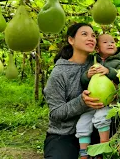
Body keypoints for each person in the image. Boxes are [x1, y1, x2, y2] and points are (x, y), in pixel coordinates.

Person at [43, 23, 104, 159]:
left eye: (93, 36)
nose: (91, 38)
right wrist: (81, 102)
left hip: (95, 128)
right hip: (64, 133)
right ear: (71, 40)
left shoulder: (99, 64)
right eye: (84, 34)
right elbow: (55, 113)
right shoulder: (59, 72)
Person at [77, 34, 120, 159]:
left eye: (113, 42)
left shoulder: (118, 63)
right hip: (92, 103)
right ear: (97, 48)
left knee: (101, 117)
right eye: (106, 42)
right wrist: (87, 75)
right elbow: (83, 82)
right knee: (82, 123)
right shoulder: (91, 62)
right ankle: (83, 154)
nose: (110, 44)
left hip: (108, 103)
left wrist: (109, 71)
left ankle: (103, 149)